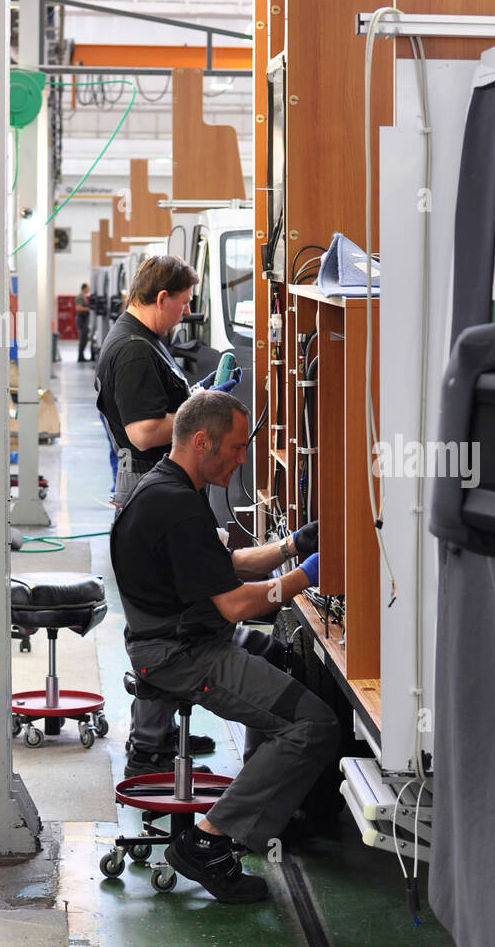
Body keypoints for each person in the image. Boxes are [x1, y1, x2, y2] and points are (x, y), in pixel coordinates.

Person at [111, 392, 335, 904]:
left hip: (181, 637)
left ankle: (268, 803)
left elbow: (227, 565)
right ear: (201, 440)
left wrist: (292, 546)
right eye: (235, 449)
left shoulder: (169, 487)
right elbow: (235, 605)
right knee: (315, 724)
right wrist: (306, 576)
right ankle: (209, 842)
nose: (240, 459)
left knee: (280, 657)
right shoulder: (176, 505)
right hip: (181, 655)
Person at [95, 253, 242, 773]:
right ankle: (152, 747)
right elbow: (143, 431)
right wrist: (201, 406)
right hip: (146, 481)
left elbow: (164, 410)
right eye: (181, 304)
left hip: (156, 481)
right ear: (161, 298)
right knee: (165, 615)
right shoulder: (133, 350)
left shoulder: (144, 340)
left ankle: (156, 736)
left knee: (171, 610)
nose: (184, 314)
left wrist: (200, 394)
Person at [75, 283, 92, 362]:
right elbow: (78, 308)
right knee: (83, 338)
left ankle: (81, 356)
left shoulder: (84, 297)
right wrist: (88, 309)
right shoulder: (80, 297)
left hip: (84, 320)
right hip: (81, 320)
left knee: (84, 338)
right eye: (88, 288)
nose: (89, 289)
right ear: (84, 288)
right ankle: (80, 357)